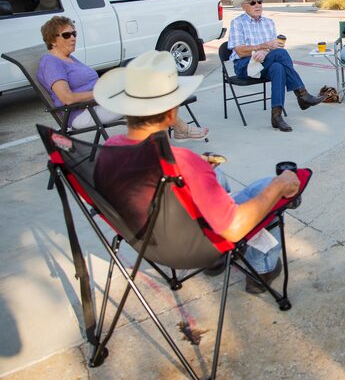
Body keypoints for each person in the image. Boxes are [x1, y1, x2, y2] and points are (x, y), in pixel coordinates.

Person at [92, 50, 301, 294]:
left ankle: (217, 263)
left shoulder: (110, 148)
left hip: (146, 238)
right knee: (271, 186)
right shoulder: (184, 163)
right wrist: (279, 185)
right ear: (172, 114)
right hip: (195, 246)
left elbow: (151, 167)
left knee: (217, 176)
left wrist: (200, 169)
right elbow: (234, 226)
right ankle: (261, 269)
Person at [36, 16, 208, 140]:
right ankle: (176, 135)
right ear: (53, 39)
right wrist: (102, 92)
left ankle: (170, 141)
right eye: (67, 35)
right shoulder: (51, 62)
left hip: (99, 103)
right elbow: (67, 98)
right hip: (84, 112)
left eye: (74, 33)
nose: (73, 37)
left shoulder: (69, 58)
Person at [227, 0, 322, 132]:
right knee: (281, 54)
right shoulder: (237, 23)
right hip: (244, 65)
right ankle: (302, 95)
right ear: (244, 6)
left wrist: (264, 52)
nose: (257, 5)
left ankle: (276, 117)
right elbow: (239, 51)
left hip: (264, 62)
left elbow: (273, 47)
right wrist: (262, 47)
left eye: (259, 1)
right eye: (252, 3)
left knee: (278, 67)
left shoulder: (268, 22)